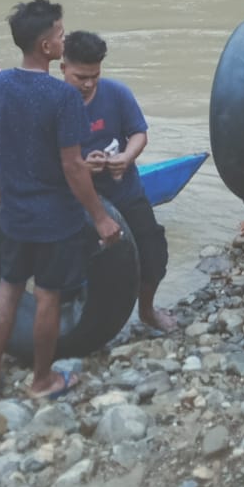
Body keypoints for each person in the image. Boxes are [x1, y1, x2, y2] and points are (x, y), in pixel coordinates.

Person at [0, 0, 122, 401]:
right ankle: (41, 380)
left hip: (15, 212)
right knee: (48, 297)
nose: (63, 39)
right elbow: (73, 166)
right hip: (54, 217)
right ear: (45, 46)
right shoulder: (63, 97)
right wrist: (100, 218)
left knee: (8, 290)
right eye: (59, 34)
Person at [59, 30, 176, 332]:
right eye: (80, 77)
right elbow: (45, 162)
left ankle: (147, 311)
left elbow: (138, 134)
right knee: (78, 268)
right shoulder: (53, 104)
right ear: (63, 68)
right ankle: (81, 327)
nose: (88, 84)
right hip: (77, 203)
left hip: (125, 192)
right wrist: (82, 166)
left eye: (94, 76)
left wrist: (125, 158)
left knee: (154, 255)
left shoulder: (116, 93)